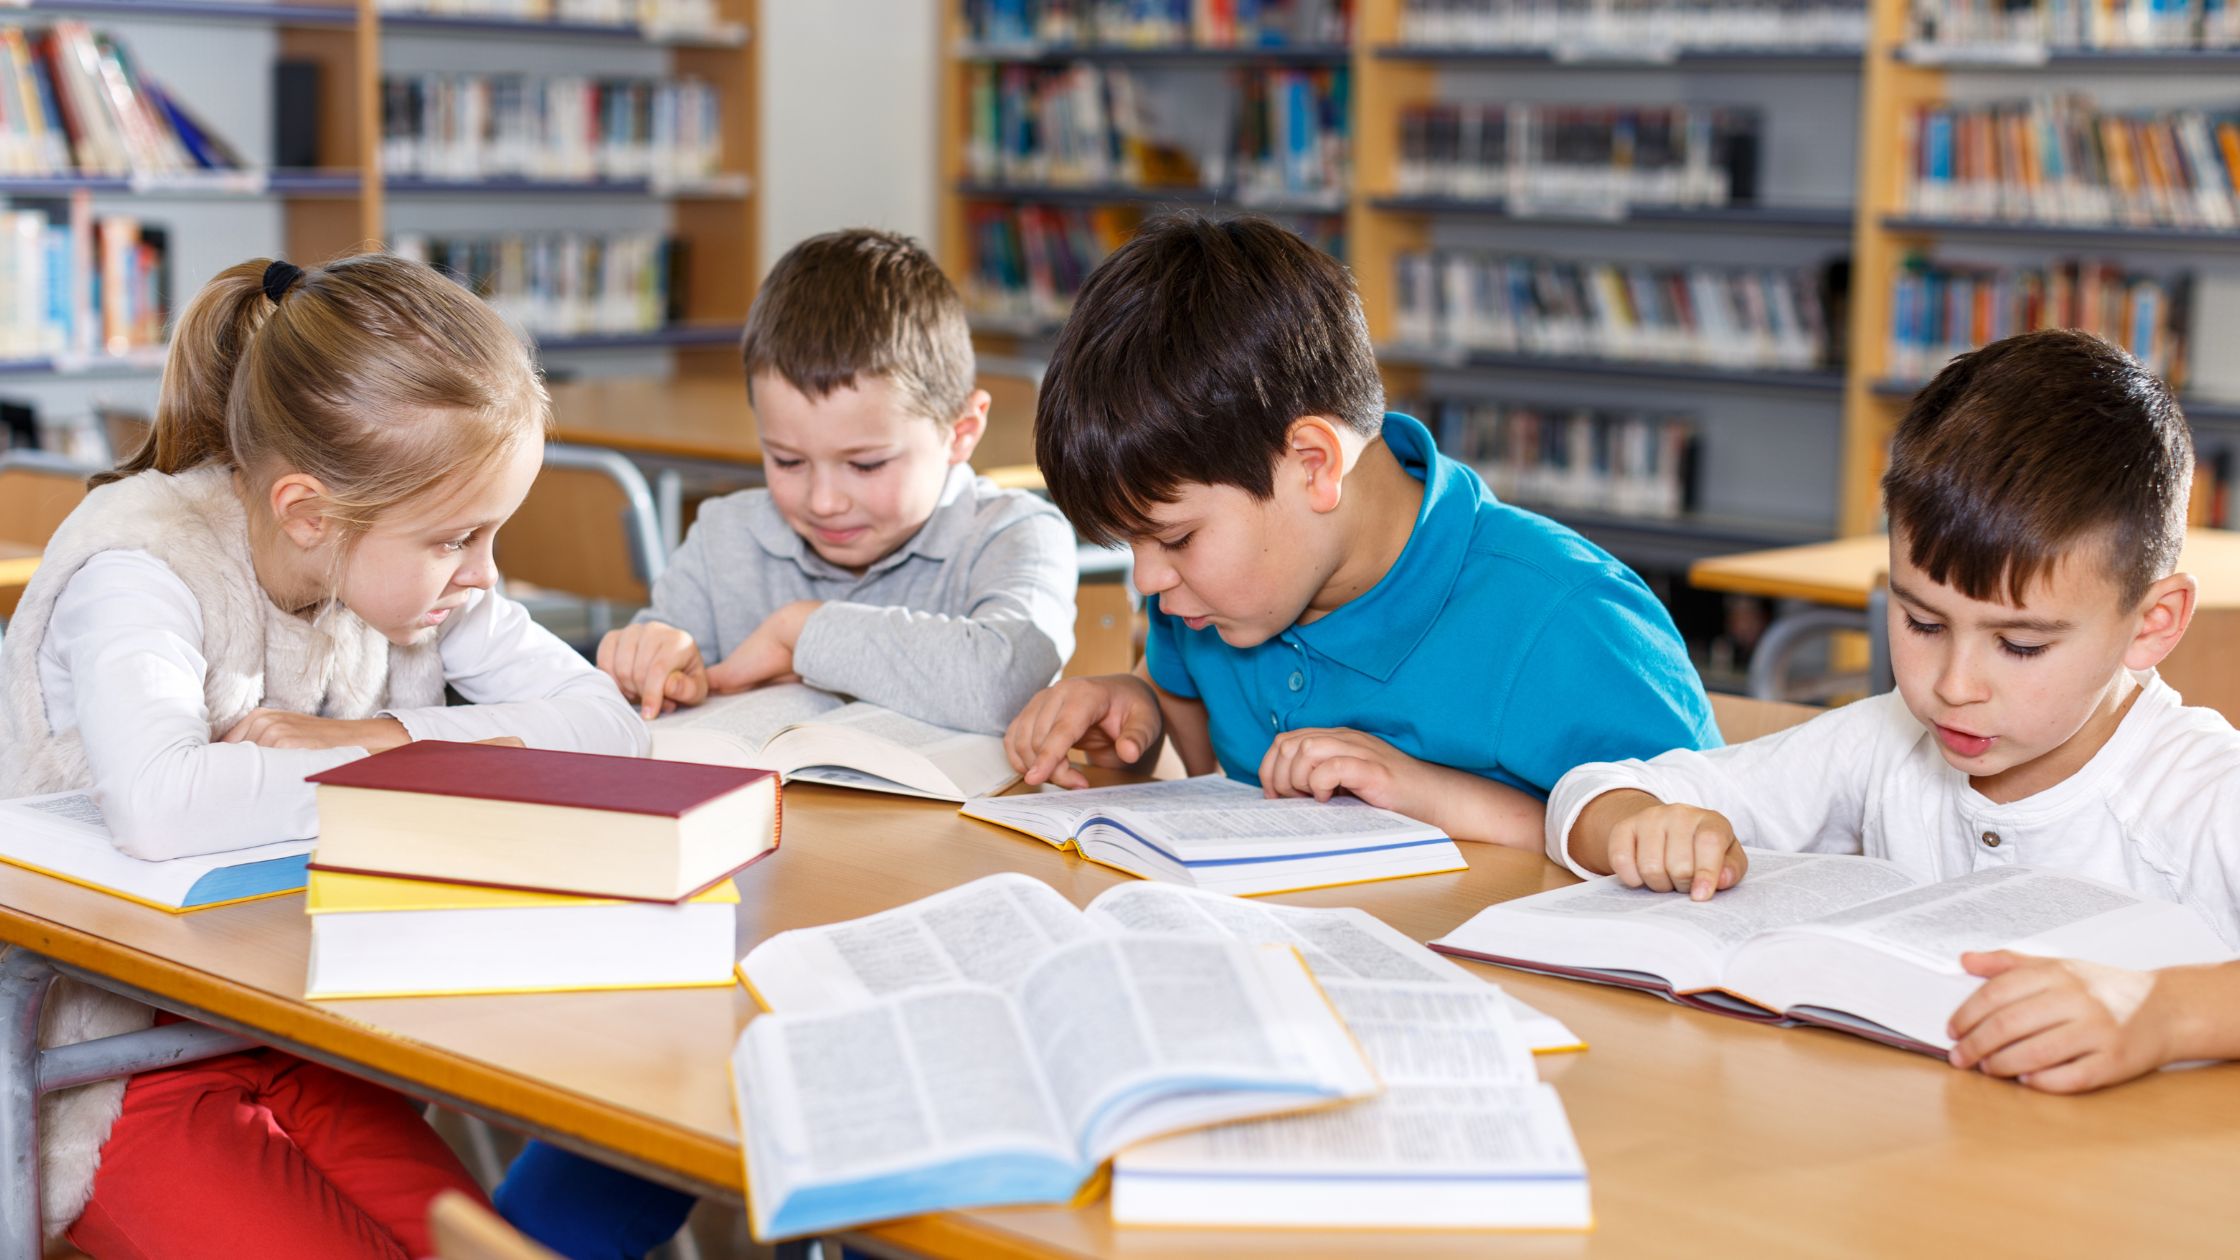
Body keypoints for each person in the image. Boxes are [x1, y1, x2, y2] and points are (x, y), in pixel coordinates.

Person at [0, 253, 646, 1257]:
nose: (482, 572)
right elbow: (163, 805)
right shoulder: (141, 568)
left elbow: (609, 728)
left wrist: (381, 738)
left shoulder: (410, 562)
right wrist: (440, 761)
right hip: (100, 1076)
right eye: (456, 538)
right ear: (309, 512)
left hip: (294, 1029)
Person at [1551, 328, 2240, 1093]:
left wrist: (2164, 1010)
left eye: (2018, 646)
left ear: (2152, 623)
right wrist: (1637, 823)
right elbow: (1593, 793)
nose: (1954, 685)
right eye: (1922, 624)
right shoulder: (1884, 739)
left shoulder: (2204, 791)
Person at [1004, 213, 1716, 847]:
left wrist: (1430, 795)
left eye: (1176, 539)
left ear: (1315, 464)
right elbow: (1196, 783)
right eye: (1132, 546)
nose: (1149, 581)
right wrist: (1136, 724)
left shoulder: (1566, 619)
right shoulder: (1217, 603)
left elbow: (1707, 845)